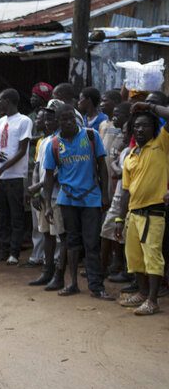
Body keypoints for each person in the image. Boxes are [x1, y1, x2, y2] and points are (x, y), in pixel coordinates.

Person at [42, 104, 112, 299]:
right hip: (68, 199)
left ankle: (96, 286)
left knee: (91, 243)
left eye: (71, 118)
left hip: (91, 198)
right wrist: (47, 204)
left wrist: (105, 195)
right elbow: (48, 177)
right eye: (64, 119)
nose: (69, 122)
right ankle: (72, 283)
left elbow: (102, 167)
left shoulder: (91, 136)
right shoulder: (54, 144)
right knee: (72, 242)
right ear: (58, 121)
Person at [114, 107, 169, 316]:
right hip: (133, 214)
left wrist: (150, 107)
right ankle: (143, 293)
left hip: (153, 213)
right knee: (134, 257)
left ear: (154, 127)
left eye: (145, 125)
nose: (140, 129)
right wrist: (120, 217)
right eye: (136, 125)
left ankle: (153, 301)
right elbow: (125, 191)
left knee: (153, 257)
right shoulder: (130, 155)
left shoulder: (161, 144)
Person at [26, 105, 66, 289]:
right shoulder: (43, 141)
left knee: (60, 235)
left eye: (52, 119)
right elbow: (37, 167)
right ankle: (46, 271)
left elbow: (58, 171)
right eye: (46, 119)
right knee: (46, 234)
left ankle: (59, 275)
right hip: (43, 195)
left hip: (57, 195)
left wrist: (39, 186)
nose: (48, 122)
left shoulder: (61, 141)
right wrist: (36, 191)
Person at [0, 88, 31, 265]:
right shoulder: (1, 120)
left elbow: (22, 151)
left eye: (0, 100)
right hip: (0, 175)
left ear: (9, 101)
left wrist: (3, 168)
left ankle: (14, 252)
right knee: (2, 215)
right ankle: (2, 249)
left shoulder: (24, 121)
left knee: (16, 215)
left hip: (15, 175)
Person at [100, 102, 133, 282]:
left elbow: (120, 172)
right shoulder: (124, 148)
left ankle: (125, 270)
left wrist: (114, 166)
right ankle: (106, 267)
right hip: (116, 195)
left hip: (125, 197)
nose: (125, 134)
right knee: (109, 231)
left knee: (122, 235)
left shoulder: (131, 150)